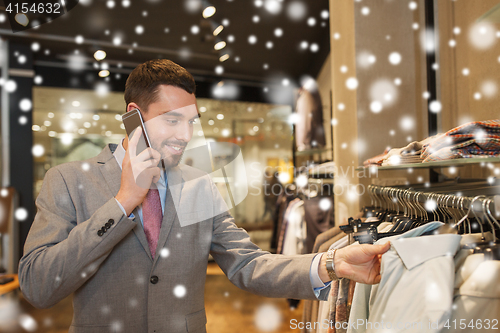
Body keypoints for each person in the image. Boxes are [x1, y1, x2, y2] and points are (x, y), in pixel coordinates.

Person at [18, 59, 390, 333]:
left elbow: (248, 264)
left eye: (190, 121)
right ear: (134, 117)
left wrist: (332, 262)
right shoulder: (67, 180)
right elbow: (37, 285)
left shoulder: (198, 185)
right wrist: (122, 203)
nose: (185, 134)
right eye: (171, 119)